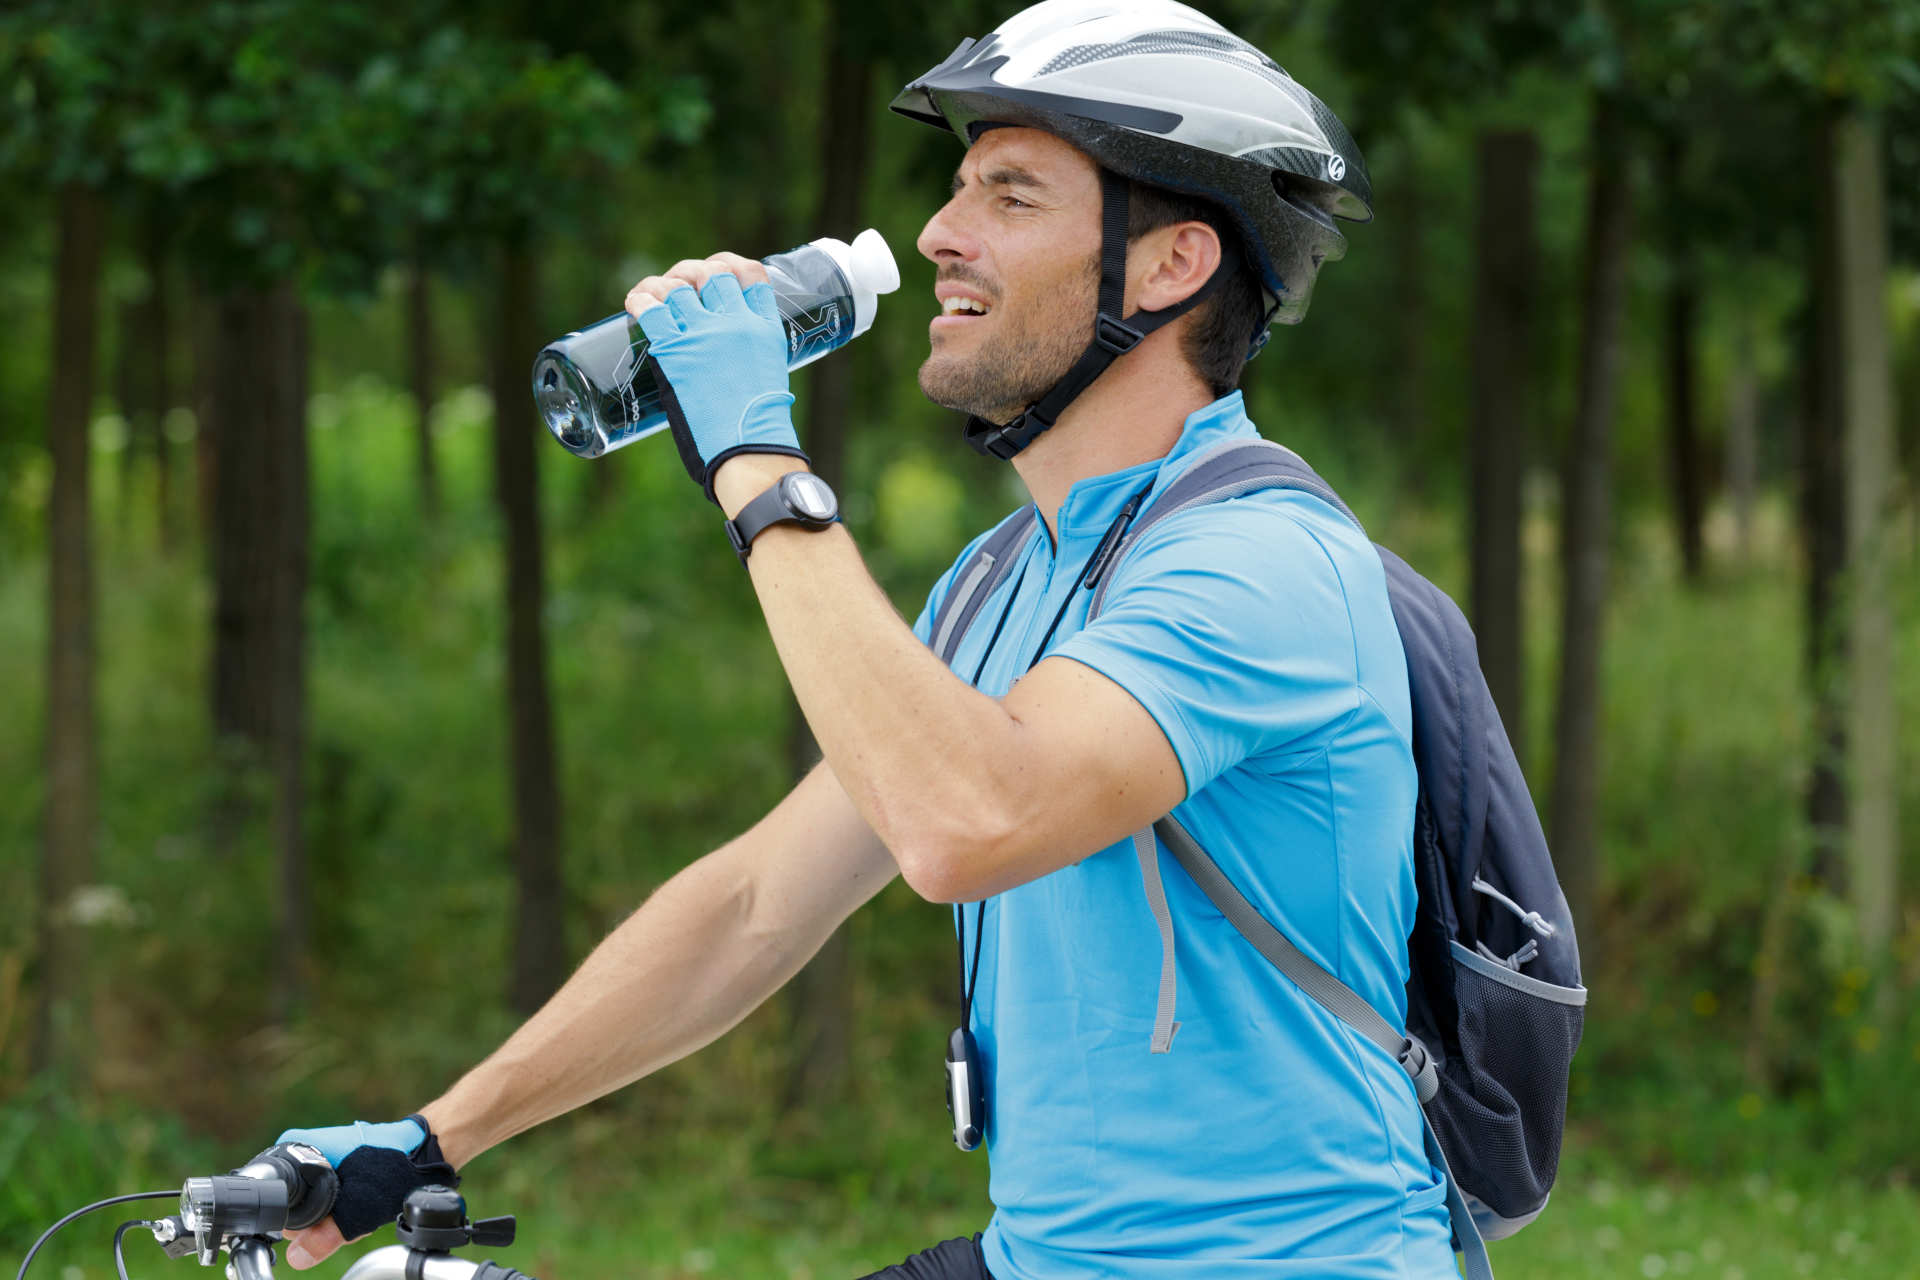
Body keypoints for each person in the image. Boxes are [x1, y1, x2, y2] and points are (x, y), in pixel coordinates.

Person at [276, 2, 1459, 1276]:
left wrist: (754, 457)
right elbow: (754, 902)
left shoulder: (1261, 562)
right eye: (958, 191)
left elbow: (966, 825)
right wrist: (432, 1137)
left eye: (1010, 197)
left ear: (1171, 265)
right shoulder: (1003, 579)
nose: (942, 236)